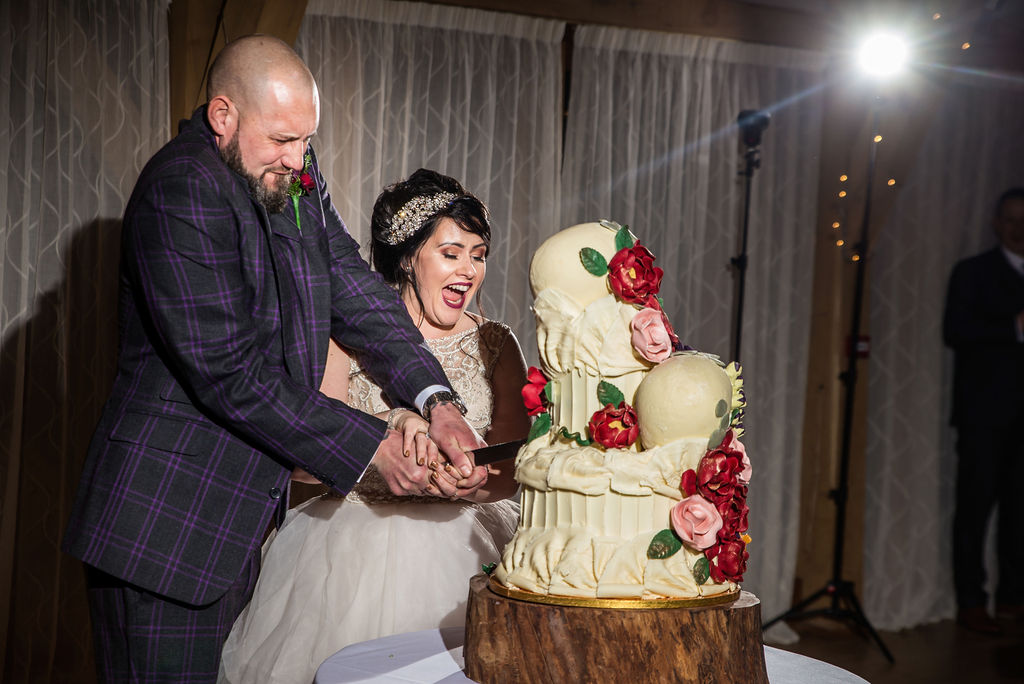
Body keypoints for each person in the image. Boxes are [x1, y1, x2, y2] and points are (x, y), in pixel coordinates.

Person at [61, 36, 488, 683]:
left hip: (239, 527)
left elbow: (352, 287)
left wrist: (436, 400)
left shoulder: (289, 174)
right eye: (283, 140)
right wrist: (375, 444)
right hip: (166, 529)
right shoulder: (181, 188)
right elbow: (229, 372)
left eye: (306, 140)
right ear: (223, 115)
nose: (299, 159)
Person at [218, 169, 530, 684]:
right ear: (409, 257)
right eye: (451, 253)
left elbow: (514, 465)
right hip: (345, 552)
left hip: (466, 546)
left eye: (478, 255)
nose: (469, 270)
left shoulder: (497, 343)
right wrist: (382, 441)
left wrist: (472, 482)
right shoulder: (346, 334)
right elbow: (300, 462)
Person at [943, 186, 1024, 634]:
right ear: (997, 224)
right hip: (984, 416)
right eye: (1011, 219)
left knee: (1019, 512)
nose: (1019, 229)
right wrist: (1012, 327)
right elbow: (955, 330)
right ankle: (971, 601)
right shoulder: (972, 272)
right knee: (974, 510)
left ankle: (1014, 598)